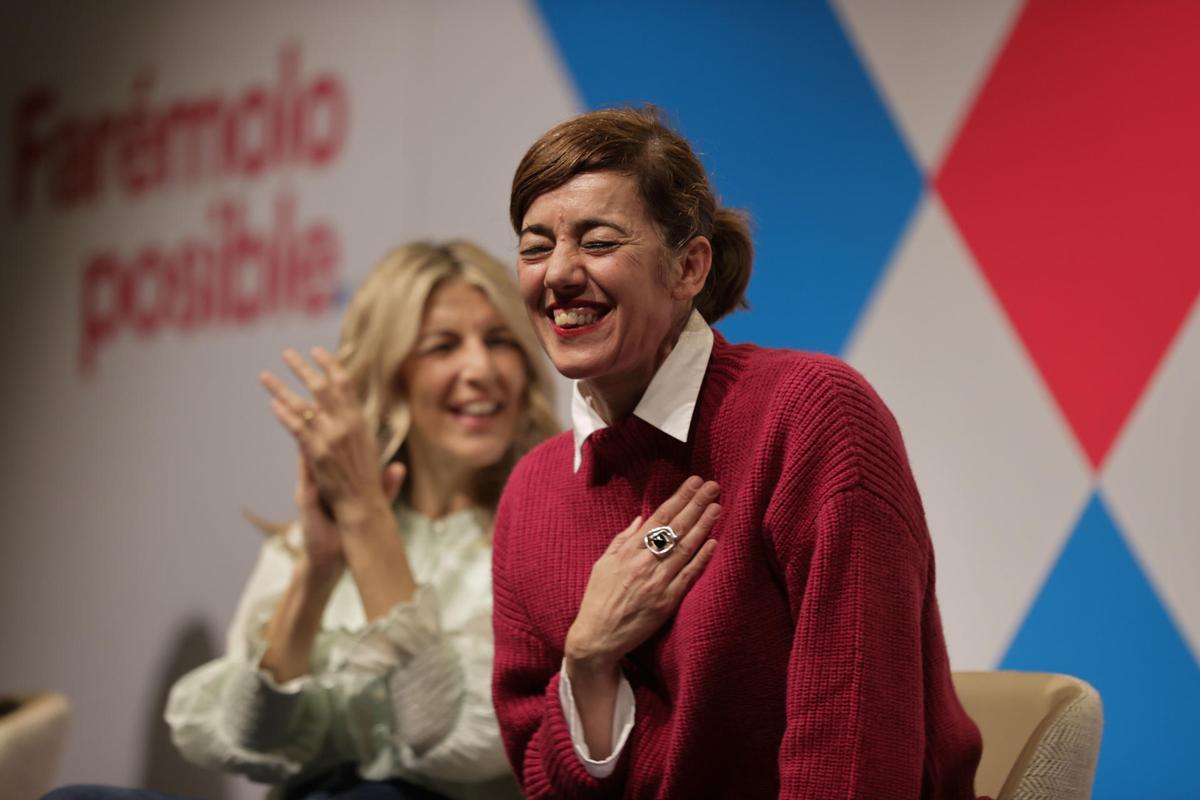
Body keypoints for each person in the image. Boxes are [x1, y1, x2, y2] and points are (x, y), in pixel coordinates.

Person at [490, 107, 986, 799]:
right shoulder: (531, 493)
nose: (560, 275)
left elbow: (854, 758)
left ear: (689, 267)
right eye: (535, 246)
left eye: (598, 241)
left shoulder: (812, 415)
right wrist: (588, 657)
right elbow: (542, 781)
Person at [48, 242, 557, 800]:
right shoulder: (314, 535)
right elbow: (252, 739)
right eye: (443, 345)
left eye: (500, 341)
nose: (480, 369)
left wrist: (368, 525)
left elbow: (452, 743)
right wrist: (316, 573)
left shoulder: (546, 530)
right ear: (389, 375)